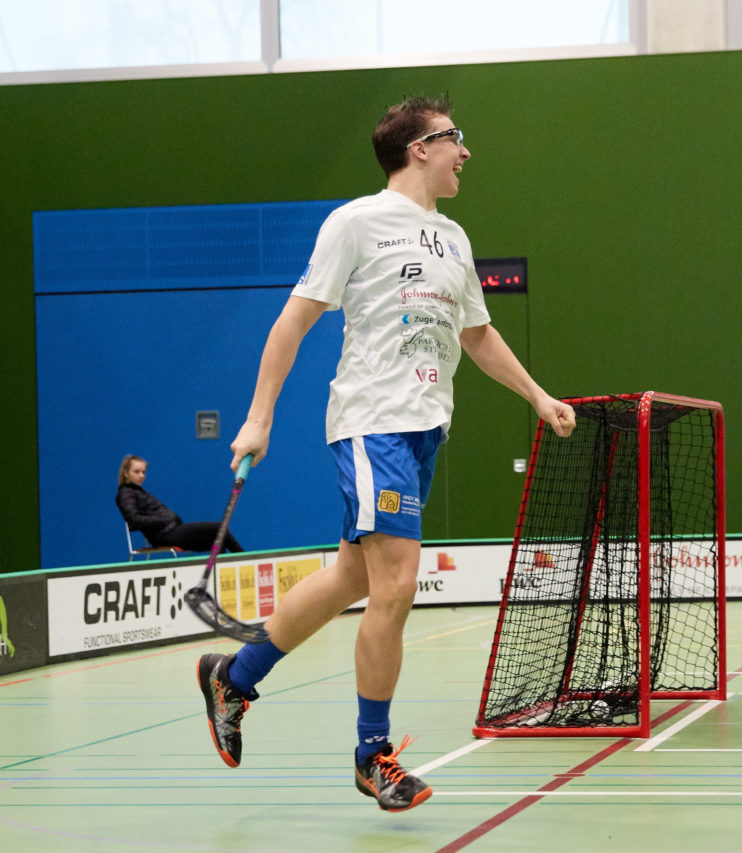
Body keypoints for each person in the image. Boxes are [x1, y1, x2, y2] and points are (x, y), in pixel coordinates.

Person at [195, 94, 576, 813]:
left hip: (427, 426)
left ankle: (233, 677)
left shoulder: (455, 239)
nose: (465, 151)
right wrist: (257, 419)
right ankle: (373, 754)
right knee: (396, 583)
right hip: (373, 422)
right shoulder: (356, 222)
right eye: (454, 138)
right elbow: (293, 321)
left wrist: (537, 395)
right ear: (418, 148)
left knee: (350, 575)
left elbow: (477, 335)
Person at [116, 455, 244, 553]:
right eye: (136, 472)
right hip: (166, 535)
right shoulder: (125, 494)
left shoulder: (138, 491)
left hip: (173, 531)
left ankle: (225, 575)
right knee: (219, 529)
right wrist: (162, 520)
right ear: (126, 473)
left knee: (218, 540)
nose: (141, 475)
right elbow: (134, 519)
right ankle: (246, 560)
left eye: (143, 472)